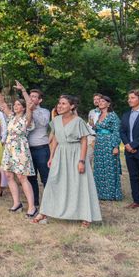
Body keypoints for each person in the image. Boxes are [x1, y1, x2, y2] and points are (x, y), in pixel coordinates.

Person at [32, 95, 102, 227]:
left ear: (72, 106)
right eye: (59, 103)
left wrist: (82, 161)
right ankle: (44, 212)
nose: (60, 106)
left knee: (79, 184)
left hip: (76, 154)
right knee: (53, 182)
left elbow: (84, 141)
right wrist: (51, 157)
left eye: (63, 104)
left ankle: (86, 216)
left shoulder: (78, 121)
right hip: (60, 154)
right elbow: (56, 140)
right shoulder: (56, 120)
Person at [0, 82, 37, 218]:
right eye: (15, 105)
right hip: (9, 149)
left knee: (22, 177)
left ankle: (32, 207)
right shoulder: (11, 117)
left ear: (22, 108)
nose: (15, 106)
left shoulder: (26, 118)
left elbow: (30, 105)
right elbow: (3, 105)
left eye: (18, 105)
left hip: (20, 149)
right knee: (9, 175)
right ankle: (17, 203)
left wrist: (23, 90)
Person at [93, 95, 122, 201]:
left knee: (110, 168)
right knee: (99, 168)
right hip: (99, 143)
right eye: (99, 101)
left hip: (109, 143)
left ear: (108, 104)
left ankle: (111, 194)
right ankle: (100, 193)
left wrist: (115, 146)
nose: (100, 102)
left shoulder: (113, 115)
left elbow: (116, 131)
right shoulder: (99, 115)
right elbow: (96, 129)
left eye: (103, 101)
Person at [27, 89, 51, 207]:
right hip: (28, 149)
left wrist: (33, 110)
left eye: (34, 96)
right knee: (31, 177)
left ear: (40, 100)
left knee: (45, 177)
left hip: (41, 148)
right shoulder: (26, 111)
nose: (31, 98)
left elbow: (44, 123)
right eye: (30, 96)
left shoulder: (45, 111)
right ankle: (35, 202)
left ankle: (49, 203)